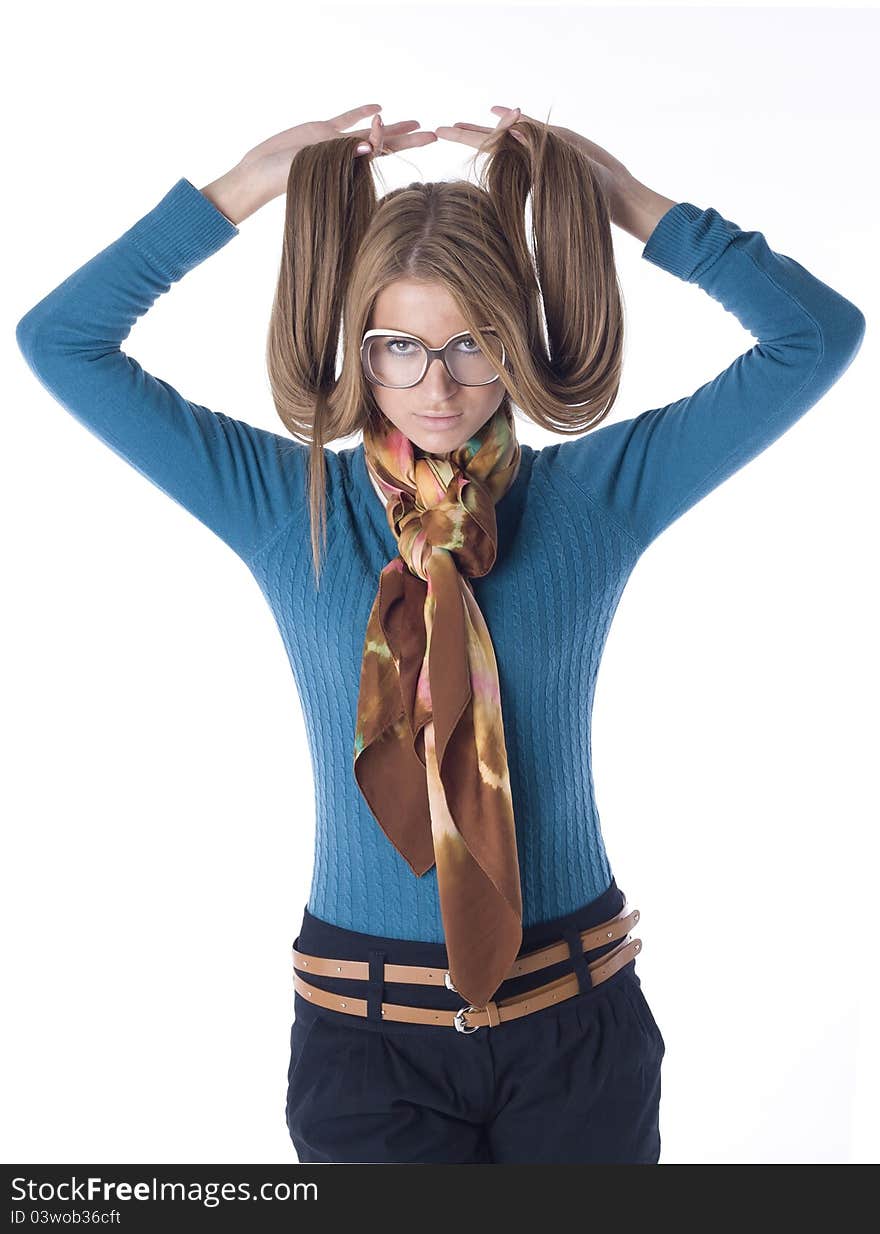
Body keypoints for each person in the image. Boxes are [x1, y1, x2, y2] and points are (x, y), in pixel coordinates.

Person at [15, 104, 865, 1165]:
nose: (437, 386)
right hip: (365, 1053)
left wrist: (620, 202)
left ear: (513, 341)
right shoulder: (291, 506)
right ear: (357, 351)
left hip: (577, 1030)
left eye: (472, 344)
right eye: (399, 349)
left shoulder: (595, 496)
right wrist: (245, 183)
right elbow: (61, 340)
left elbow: (814, 337)